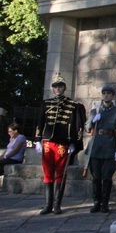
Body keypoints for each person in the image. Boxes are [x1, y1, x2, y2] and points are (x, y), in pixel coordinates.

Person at [34, 74, 86, 215]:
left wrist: (75, 143)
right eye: (55, 86)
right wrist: (38, 140)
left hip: (63, 144)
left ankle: (57, 205)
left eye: (60, 86)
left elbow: (77, 126)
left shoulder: (74, 106)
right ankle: (48, 205)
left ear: (64, 88)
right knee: (47, 174)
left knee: (60, 174)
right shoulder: (46, 104)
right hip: (48, 143)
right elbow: (40, 122)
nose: (57, 89)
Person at [85, 84, 116, 213]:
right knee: (96, 177)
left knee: (107, 177)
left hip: (110, 147)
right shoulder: (95, 111)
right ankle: (97, 202)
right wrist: (93, 121)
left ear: (112, 96)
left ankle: (105, 203)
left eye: (108, 93)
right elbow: (87, 128)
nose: (106, 95)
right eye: (104, 93)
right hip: (96, 147)